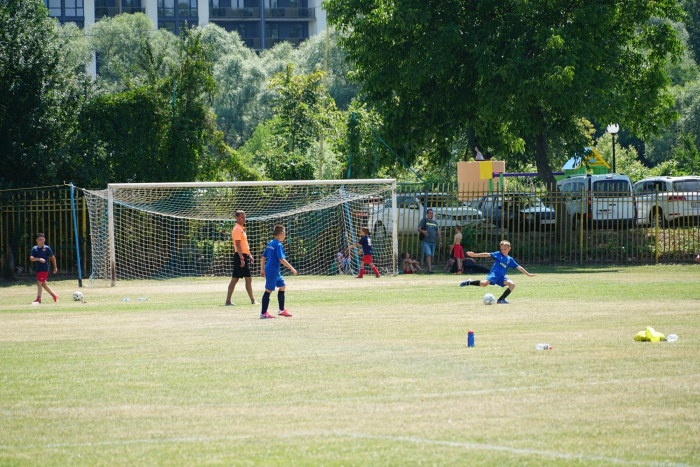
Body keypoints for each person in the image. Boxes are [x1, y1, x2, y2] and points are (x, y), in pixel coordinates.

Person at [459, 240, 536, 304]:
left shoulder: (510, 259)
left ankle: (501, 300)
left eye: (505, 249)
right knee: (484, 284)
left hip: (501, 277)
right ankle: (469, 282)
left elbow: (519, 267)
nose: (503, 251)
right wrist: (475, 255)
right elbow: (487, 254)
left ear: (509, 249)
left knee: (512, 284)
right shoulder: (498, 254)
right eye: (501, 249)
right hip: (494, 274)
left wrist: (528, 274)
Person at [259, 225, 297, 319]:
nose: (285, 235)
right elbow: (281, 259)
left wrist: (262, 269)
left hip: (272, 270)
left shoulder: (270, 243)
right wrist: (292, 268)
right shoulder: (278, 245)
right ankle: (263, 313)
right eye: (284, 233)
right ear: (281, 233)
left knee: (282, 286)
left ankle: (281, 310)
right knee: (268, 290)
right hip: (272, 270)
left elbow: (263, 257)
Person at [225, 210, 258, 306]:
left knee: (235, 279)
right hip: (240, 256)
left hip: (243, 255)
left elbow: (244, 244)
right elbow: (238, 245)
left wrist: (249, 255)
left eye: (245, 217)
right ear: (237, 218)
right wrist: (242, 258)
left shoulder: (241, 228)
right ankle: (253, 300)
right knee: (248, 279)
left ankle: (228, 301)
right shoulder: (237, 229)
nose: (244, 219)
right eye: (242, 217)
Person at [30, 233, 58, 304]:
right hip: (38, 269)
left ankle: (38, 299)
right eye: (40, 240)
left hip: (44, 268)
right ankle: (54, 295)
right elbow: (31, 258)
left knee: (39, 283)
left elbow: (52, 258)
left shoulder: (47, 248)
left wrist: (55, 267)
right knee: (43, 284)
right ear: (37, 240)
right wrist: (39, 259)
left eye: (43, 239)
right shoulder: (34, 249)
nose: (41, 241)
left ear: (44, 240)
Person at [418, 209, 441, 274]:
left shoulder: (435, 223)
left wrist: (440, 240)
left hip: (433, 241)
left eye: (432, 213)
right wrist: (423, 231)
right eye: (430, 213)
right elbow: (419, 228)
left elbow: (438, 232)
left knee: (431, 256)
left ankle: (428, 269)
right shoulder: (424, 220)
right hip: (426, 241)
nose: (431, 215)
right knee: (428, 254)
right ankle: (430, 269)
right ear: (427, 214)